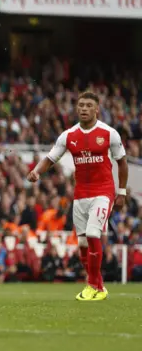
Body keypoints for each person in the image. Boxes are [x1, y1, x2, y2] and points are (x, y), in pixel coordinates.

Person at [28, 90, 128, 301]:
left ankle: (92, 285)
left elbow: (122, 162)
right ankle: (98, 286)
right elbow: (50, 158)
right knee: (82, 244)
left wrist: (122, 192)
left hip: (103, 191)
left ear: (97, 109)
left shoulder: (109, 133)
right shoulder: (68, 135)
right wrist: (37, 171)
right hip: (80, 194)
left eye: (88, 106)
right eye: (81, 105)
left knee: (93, 234)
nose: (84, 109)